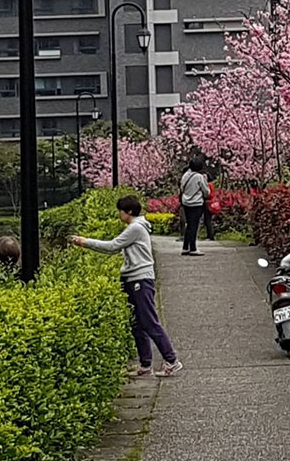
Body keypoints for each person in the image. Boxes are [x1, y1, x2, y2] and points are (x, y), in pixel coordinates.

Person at [71, 195, 182, 377]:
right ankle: (145, 364)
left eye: (120, 211)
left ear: (128, 212)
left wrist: (86, 242)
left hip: (141, 279)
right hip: (133, 278)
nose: (118, 214)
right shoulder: (136, 227)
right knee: (137, 323)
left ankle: (172, 360)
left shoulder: (136, 228)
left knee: (148, 321)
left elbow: (113, 246)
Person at [179, 156, 212, 255]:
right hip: (196, 204)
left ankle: (185, 247)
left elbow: (181, 188)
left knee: (189, 225)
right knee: (194, 226)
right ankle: (193, 248)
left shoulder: (185, 175)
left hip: (186, 203)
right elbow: (206, 191)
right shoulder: (199, 177)